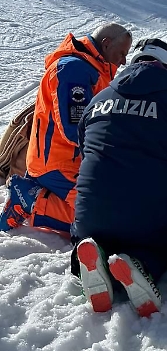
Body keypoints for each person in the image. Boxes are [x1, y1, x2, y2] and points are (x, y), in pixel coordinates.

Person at [72, 38, 167, 316]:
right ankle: (140, 265)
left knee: (95, 232)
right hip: (144, 220)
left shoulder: (97, 101)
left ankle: (88, 258)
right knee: (166, 242)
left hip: (89, 215)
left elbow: (84, 152)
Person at [0, 24, 132, 234]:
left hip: (67, 160)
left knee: (120, 202)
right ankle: (30, 199)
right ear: (106, 44)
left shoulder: (93, 70)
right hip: (60, 164)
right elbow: (76, 128)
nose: (124, 60)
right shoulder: (74, 70)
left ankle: (36, 196)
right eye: (123, 52)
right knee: (102, 218)